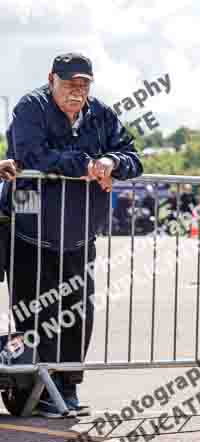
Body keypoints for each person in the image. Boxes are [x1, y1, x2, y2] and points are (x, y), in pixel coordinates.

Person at [5, 53, 143, 417]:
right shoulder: (30, 108)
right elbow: (32, 155)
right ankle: (38, 388)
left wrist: (112, 163)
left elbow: (133, 156)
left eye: (83, 85)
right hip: (31, 233)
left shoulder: (101, 113)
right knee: (35, 312)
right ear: (52, 79)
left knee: (78, 313)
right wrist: (85, 165)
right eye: (69, 85)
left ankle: (66, 385)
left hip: (80, 235)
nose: (77, 92)